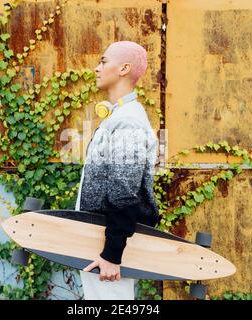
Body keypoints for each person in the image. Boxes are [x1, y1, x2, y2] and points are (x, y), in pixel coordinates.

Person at [74, 41, 160, 300]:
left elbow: (124, 190)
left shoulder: (128, 120)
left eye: (103, 61)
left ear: (124, 68)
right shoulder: (120, 115)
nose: (96, 68)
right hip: (97, 238)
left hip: (106, 246)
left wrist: (112, 254)